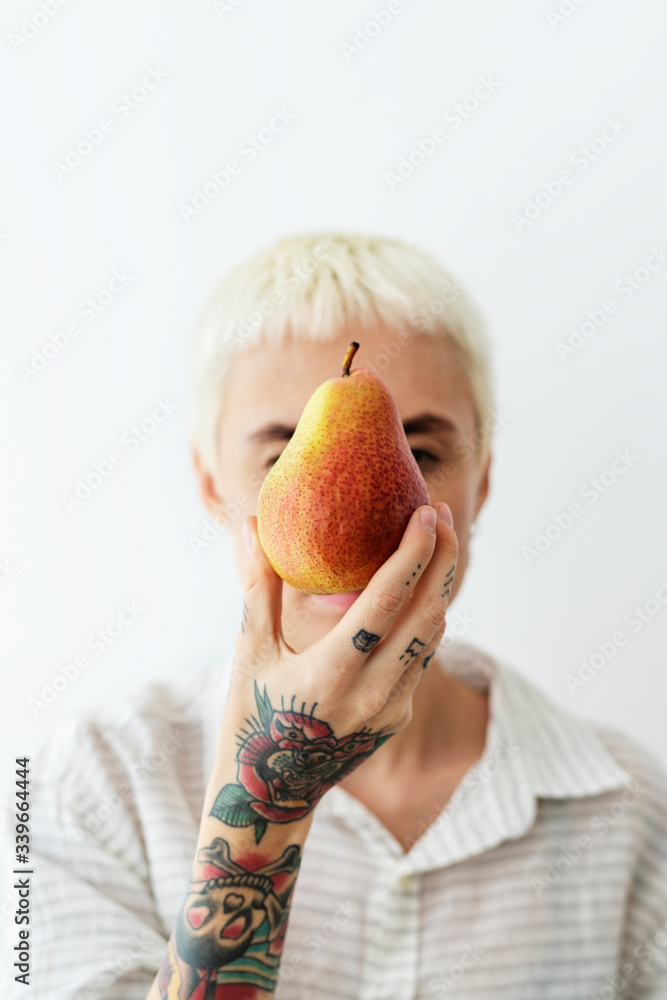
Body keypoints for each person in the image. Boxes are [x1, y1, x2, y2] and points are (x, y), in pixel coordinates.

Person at [2, 232, 666, 999]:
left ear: (480, 485)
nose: (360, 531)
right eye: (284, 454)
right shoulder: (72, 790)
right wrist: (265, 801)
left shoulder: (629, 812)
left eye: (417, 451)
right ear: (212, 485)